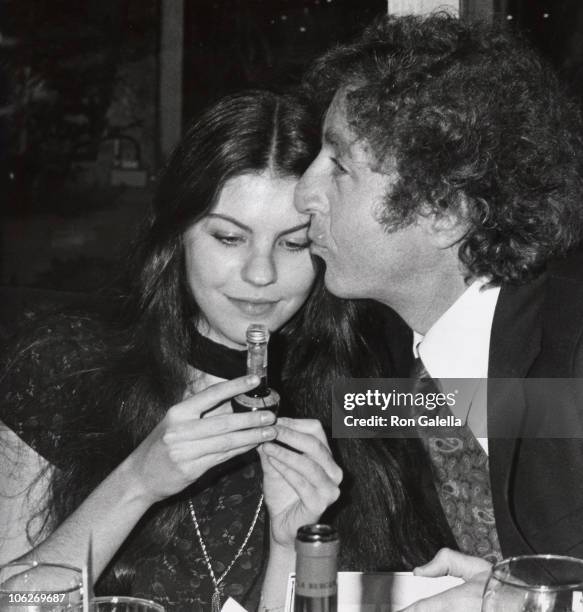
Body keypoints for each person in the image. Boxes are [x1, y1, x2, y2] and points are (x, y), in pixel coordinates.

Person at [0, 88, 447, 611]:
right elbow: (15, 599)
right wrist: (137, 482)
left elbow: (542, 409)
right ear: (178, 235)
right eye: (229, 239)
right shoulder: (63, 360)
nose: (261, 275)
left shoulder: (368, 389)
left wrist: (292, 546)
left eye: (294, 243)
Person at [295, 12, 583, 612]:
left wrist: (537, 601)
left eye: (339, 165)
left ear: (444, 212)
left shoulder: (573, 348)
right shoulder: (391, 368)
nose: (304, 192)